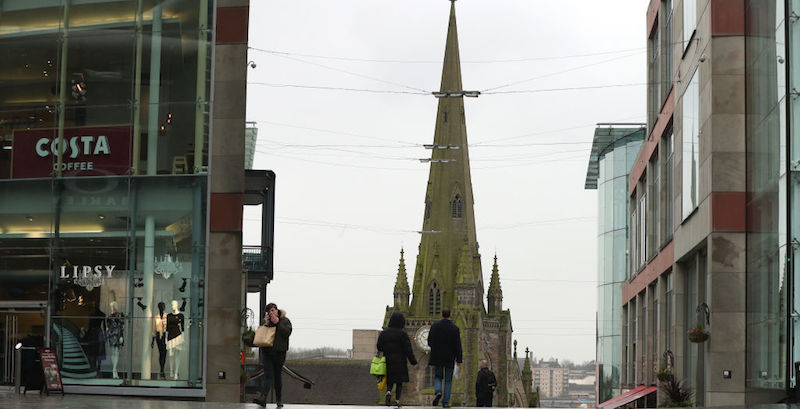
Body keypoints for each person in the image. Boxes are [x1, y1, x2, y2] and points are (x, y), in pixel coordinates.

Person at [254, 303, 292, 408]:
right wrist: (266, 324)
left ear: (276, 310)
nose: (271, 313)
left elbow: (287, 332)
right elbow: (261, 334)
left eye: (272, 311)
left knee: (277, 377)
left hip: (280, 353)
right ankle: (263, 398)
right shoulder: (266, 321)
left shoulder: (285, 320)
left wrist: (278, 323)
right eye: (269, 311)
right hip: (267, 353)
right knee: (267, 375)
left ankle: (279, 399)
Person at [377, 311, 417, 407]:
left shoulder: (384, 333)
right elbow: (408, 349)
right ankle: (397, 400)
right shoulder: (403, 334)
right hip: (400, 361)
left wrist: (386, 350)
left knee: (390, 379)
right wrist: (413, 361)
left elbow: (379, 346)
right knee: (399, 382)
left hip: (388, 360)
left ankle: (389, 391)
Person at [427, 309, 462, 408]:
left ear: (441, 315)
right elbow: (458, 345)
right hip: (450, 357)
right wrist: (459, 359)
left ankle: (438, 391)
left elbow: (429, 341)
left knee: (438, 376)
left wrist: (435, 348)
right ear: (450, 315)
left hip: (437, 356)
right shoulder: (455, 328)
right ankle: (445, 402)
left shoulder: (435, 326)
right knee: (448, 380)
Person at [151, 301, 168, 379]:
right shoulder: (156, 317)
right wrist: (152, 341)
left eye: (163, 306)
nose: (162, 308)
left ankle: (162, 369)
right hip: (158, 336)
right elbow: (154, 329)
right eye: (161, 306)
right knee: (161, 352)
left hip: (165, 335)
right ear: (159, 307)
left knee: (164, 353)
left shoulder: (167, 316)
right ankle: (161, 370)